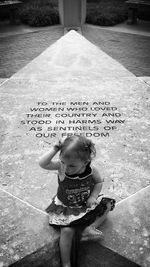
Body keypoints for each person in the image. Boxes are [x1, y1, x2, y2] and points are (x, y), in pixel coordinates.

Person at [39, 135, 115, 267]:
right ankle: (66, 263)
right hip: (67, 207)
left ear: (85, 162)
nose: (66, 168)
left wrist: (93, 197)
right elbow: (42, 163)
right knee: (67, 231)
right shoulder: (61, 168)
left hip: (85, 204)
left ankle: (89, 228)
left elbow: (98, 183)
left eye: (72, 165)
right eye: (63, 162)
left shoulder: (92, 171)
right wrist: (55, 148)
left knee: (107, 205)